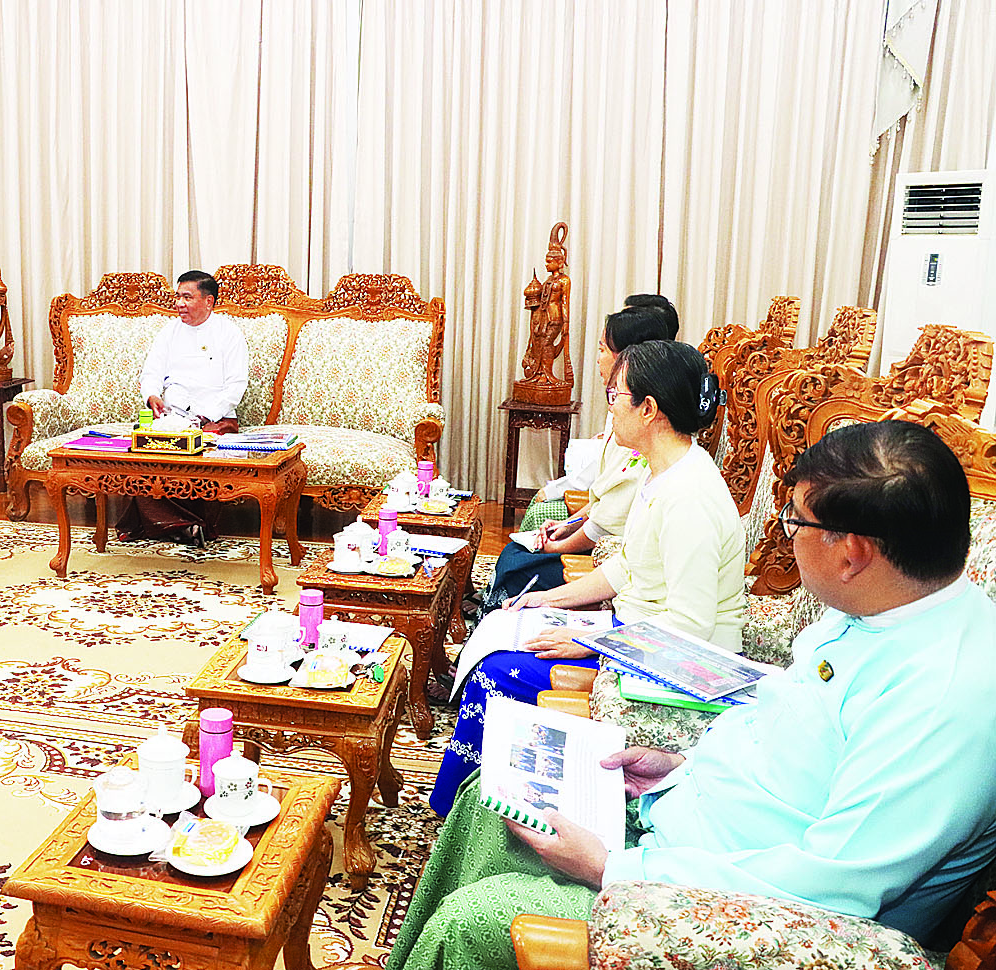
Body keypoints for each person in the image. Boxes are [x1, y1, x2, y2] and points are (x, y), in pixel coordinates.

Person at [391, 420, 996, 969]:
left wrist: (610, 867)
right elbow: (793, 739)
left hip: (734, 907)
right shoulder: (876, 606)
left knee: (475, 920)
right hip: (690, 824)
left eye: (795, 522)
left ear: (852, 553)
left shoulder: (943, 700)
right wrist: (679, 769)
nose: (786, 536)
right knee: (487, 803)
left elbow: (831, 886)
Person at [431, 341, 744, 815]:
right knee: (509, 627)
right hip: (635, 635)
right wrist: (549, 600)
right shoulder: (662, 473)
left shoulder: (689, 498)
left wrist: (592, 644)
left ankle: (465, 811)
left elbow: (690, 627)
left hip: (676, 666)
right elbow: (626, 568)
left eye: (616, 396)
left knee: (494, 675)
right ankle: (470, 805)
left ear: (649, 409)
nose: (610, 407)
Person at [481, 306, 671, 614]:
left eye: (602, 349)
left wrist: (560, 544)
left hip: (609, 563)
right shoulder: (635, 425)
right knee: (515, 554)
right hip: (611, 558)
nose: (598, 358)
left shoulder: (652, 450)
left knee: (516, 565)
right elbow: (602, 500)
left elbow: (610, 527)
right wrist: (567, 525)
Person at [515, 293, 678, 535]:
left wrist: (559, 532)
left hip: (607, 529)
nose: (598, 359)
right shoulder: (627, 399)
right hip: (598, 511)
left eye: (603, 349)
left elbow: (609, 507)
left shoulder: (640, 413)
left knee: (538, 518)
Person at [115, 271, 249, 545]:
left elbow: (236, 386)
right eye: (178, 296)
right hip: (173, 418)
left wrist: (205, 417)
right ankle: (186, 527)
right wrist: (152, 395)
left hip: (216, 420)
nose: (179, 303)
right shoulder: (169, 332)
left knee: (198, 459)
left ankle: (167, 525)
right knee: (144, 457)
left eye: (187, 297)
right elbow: (151, 373)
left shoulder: (229, 333)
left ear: (208, 301)